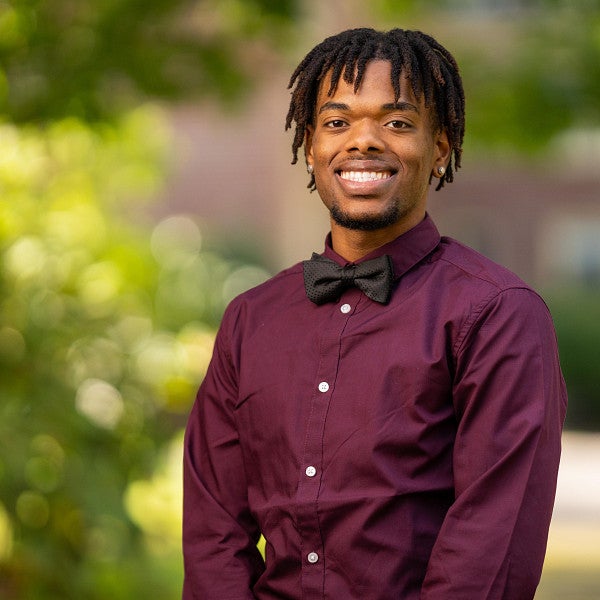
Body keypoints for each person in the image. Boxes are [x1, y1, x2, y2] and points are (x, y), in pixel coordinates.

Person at [182, 27, 567, 599]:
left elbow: (492, 549)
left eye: (397, 122)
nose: (362, 142)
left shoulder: (498, 316)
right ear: (310, 146)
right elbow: (213, 532)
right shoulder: (249, 320)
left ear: (439, 149)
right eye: (337, 123)